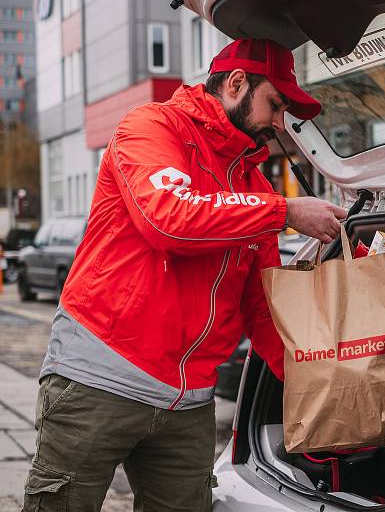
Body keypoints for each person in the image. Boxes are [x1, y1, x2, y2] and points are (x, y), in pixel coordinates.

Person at [21, 38, 347, 511]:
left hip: (189, 403)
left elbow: (260, 304)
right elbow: (169, 220)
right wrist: (285, 211)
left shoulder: (253, 183)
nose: (280, 123)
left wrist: (318, 390)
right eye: (275, 104)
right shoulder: (152, 126)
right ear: (236, 83)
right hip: (99, 379)